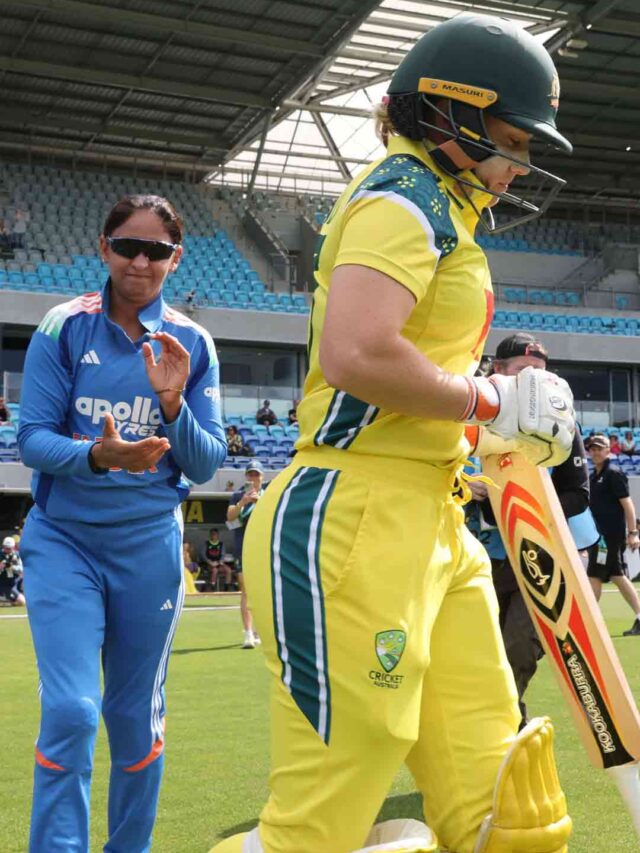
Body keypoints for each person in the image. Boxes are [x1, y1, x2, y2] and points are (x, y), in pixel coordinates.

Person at [212, 14, 575, 853]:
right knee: (321, 827)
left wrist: (493, 430)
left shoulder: (443, 207)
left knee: (510, 812)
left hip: (436, 517)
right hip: (353, 514)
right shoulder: (402, 196)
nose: (518, 166)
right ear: (450, 112)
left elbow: (416, 377)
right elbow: (356, 353)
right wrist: (488, 399)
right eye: (511, 141)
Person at [17, 193, 227, 853]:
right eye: (128, 247)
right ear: (104, 247)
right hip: (65, 542)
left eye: (156, 250)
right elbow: (31, 440)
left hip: (149, 548)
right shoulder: (62, 326)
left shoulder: (191, 343)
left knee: (135, 716)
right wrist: (97, 456)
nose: (141, 262)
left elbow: (204, 462)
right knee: (72, 710)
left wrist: (172, 403)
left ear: (176, 258)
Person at [466, 332, 599, 724]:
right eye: (524, 370)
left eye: (541, 371)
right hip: (479, 556)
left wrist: (520, 509)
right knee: (477, 653)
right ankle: (497, 731)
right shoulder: (470, 417)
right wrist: (464, 486)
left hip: (540, 557)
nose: (535, 379)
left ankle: (507, 726)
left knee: (518, 650)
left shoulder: (563, 423)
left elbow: (578, 494)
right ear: (498, 369)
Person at [587, 434, 640, 636]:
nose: (595, 452)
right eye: (592, 449)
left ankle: (589, 622)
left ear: (608, 451)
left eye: (599, 449)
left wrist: (633, 533)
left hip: (609, 537)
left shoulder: (613, 473)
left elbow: (628, 505)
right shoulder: (593, 476)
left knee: (597, 575)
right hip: (599, 537)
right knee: (612, 575)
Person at [227, 460, 266, 649]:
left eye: (256, 474)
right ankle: (248, 633)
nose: (253, 477)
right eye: (250, 474)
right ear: (246, 476)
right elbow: (230, 517)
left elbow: (274, 515)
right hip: (243, 547)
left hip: (263, 548)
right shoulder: (237, 495)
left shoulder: (268, 495)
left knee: (263, 591)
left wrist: (260, 502)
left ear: (262, 477)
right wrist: (243, 502)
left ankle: (260, 630)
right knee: (246, 589)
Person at [0, 536, 25, 606]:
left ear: (13, 547)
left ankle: (6, 598)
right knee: (22, 601)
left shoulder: (17, 555)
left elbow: (21, 569)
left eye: (9, 548)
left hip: (16, 581)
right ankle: (5, 601)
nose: (8, 550)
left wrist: (11, 567)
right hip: (5, 584)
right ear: (3, 546)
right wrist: (2, 566)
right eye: (6, 548)